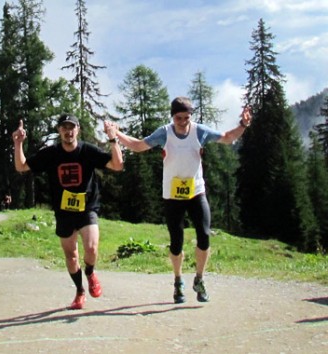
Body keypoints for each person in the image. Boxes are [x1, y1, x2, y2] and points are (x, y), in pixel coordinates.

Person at [108, 96, 251, 303]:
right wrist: (116, 134)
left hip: (196, 192)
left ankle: (199, 279)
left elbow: (228, 138)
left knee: (204, 235)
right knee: (176, 242)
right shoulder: (164, 133)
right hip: (173, 196)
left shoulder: (199, 131)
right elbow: (139, 146)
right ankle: (178, 281)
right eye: (178, 118)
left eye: (186, 117)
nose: (183, 122)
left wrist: (243, 124)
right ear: (172, 116)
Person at [12, 114, 123, 309]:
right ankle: (80, 291)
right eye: (64, 127)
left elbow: (117, 164)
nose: (68, 131)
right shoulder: (51, 153)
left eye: (71, 127)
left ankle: (90, 273)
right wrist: (18, 143)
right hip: (63, 212)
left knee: (91, 248)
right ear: (59, 131)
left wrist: (113, 139)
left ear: (77, 130)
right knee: (71, 256)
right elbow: (21, 166)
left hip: (87, 208)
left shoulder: (87, 151)